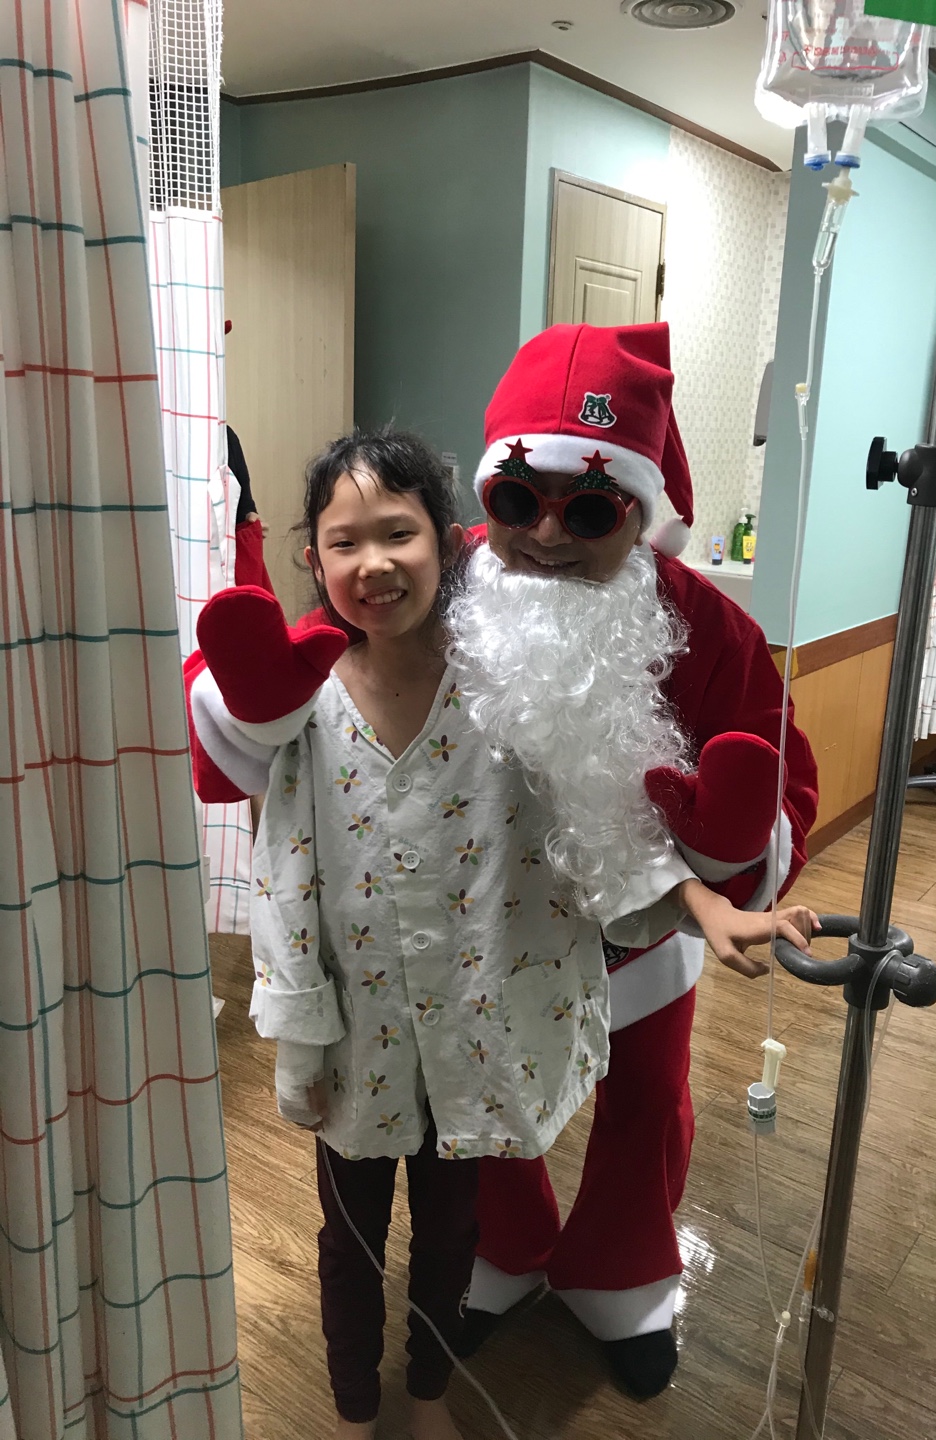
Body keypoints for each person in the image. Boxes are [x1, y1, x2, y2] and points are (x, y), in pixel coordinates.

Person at [184, 429, 819, 1437]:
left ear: (448, 544)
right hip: (355, 1038)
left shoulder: (504, 696)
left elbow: (597, 829)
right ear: (315, 559)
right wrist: (297, 1026)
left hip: (475, 1032)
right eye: (346, 543)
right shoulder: (304, 708)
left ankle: (433, 1394)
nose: (375, 563)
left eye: (399, 535)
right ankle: (354, 1409)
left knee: (455, 1230)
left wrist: (710, 901)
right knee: (349, 1240)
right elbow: (275, 857)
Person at [443, 321, 819, 1399]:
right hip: (485, 914)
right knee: (486, 1086)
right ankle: (503, 1250)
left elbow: (782, 776)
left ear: (640, 513)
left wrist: (733, 841)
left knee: (646, 1099)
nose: (546, 536)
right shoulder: (441, 581)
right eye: (518, 500)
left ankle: (622, 1275)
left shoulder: (709, 626)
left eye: (591, 511)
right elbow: (328, 665)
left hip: (649, 923)